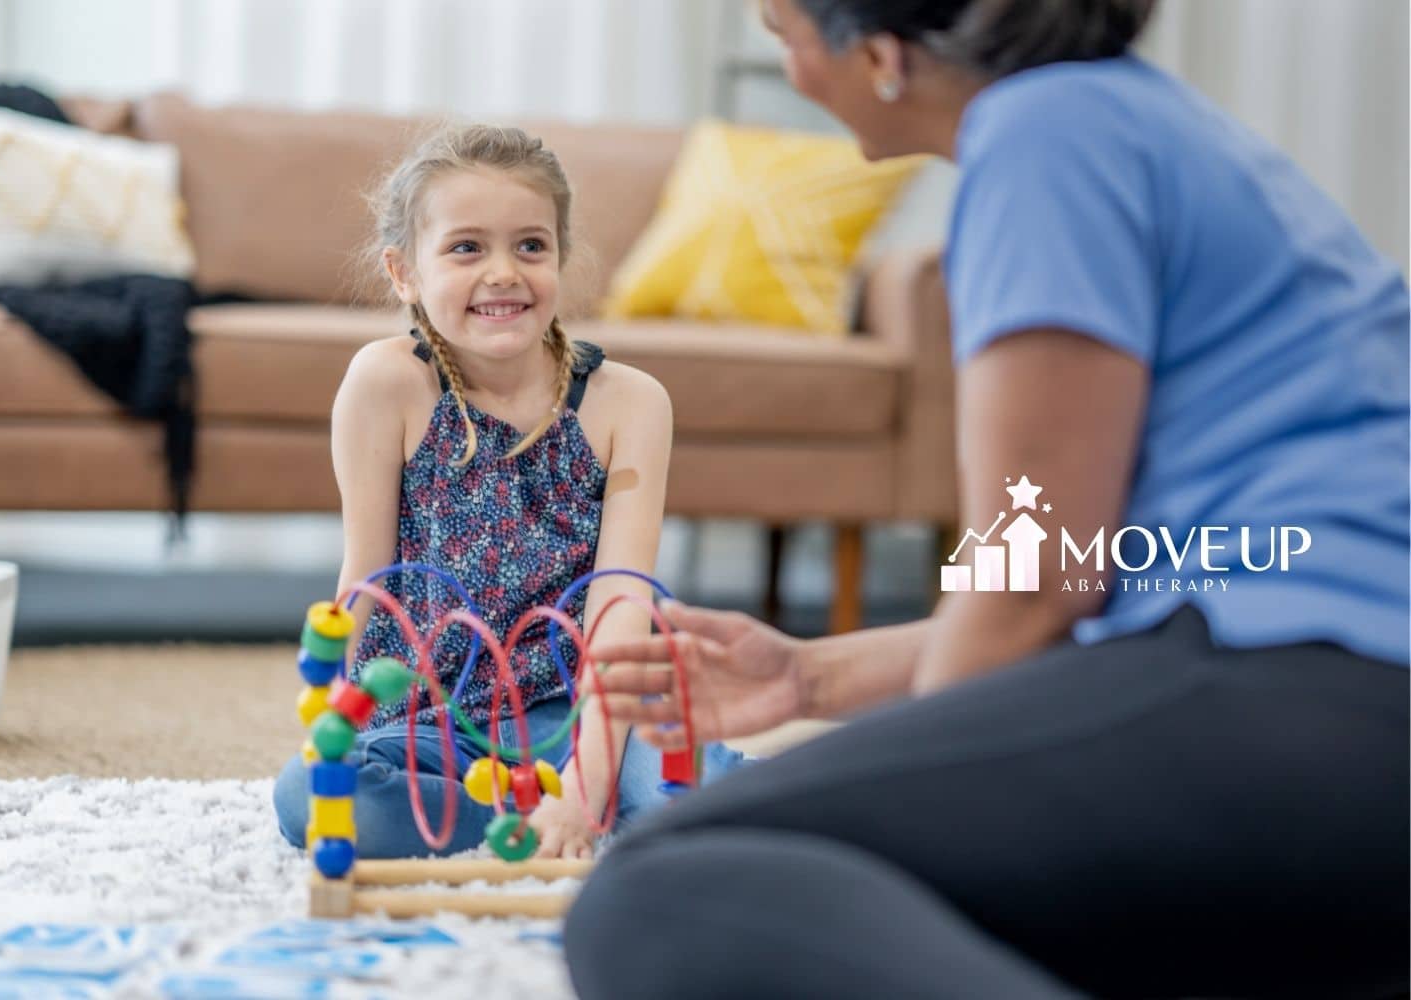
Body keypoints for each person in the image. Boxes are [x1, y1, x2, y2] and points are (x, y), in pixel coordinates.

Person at [563, 1, 1410, 997]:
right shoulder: (1140, 120)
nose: (788, 72)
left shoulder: (1045, 133)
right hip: (1334, 715)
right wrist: (813, 681)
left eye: (785, 36)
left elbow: (1034, 576)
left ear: (881, 56)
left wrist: (911, 769)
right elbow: (1114, 579)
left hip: (1310, 710)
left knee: (665, 884)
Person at [273, 124, 743, 861]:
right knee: (310, 798)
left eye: (530, 245)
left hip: (583, 715)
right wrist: (333, 714)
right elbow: (365, 577)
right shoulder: (385, 382)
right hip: (429, 720)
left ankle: (577, 807)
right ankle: (528, 819)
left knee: (702, 794)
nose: (503, 273)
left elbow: (622, 605)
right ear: (405, 273)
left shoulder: (631, 403)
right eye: (466, 247)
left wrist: (589, 782)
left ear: (560, 256)